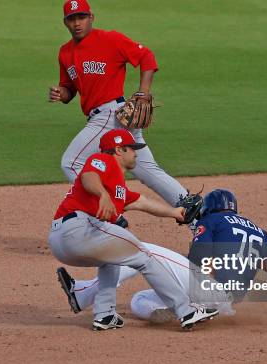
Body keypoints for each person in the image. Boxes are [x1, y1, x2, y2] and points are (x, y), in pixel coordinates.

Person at [48, 128, 218, 331]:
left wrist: (175, 212)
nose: (136, 153)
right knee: (145, 257)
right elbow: (89, 176)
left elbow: (143, 202)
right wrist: (102, 194)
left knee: (113, 257)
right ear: (119, 150)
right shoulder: (103, 160)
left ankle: (105, 314)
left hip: (65, 240)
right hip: (78, 228)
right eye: (132, 148)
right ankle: (186, 310)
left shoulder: (118, 188)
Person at [55, 189, 267, 323]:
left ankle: (84, 293)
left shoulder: (212, 220)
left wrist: (198, 287)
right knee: (139, 301)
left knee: (142, 250)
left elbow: (198, 258)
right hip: (227, 304)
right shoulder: (261, 234)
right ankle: (187, 311)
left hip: (208, 289)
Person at [49, 0, 189, 206]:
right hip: (111, 119)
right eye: (72, 19)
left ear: (91, 18)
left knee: (71, 163)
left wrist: (143, 93)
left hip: (110, 115)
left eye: (82, 17)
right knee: (147, 169)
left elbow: (146, 56)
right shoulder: (65, 53)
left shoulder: (110, 39)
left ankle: (111, 204)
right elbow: (69, 89)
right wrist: (61, 93)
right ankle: (191, 206)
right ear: (65, 23)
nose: (77, 23)